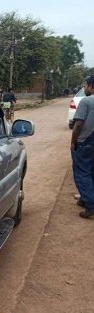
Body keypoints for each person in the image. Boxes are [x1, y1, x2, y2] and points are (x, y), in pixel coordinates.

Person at [71, 75, 94, 219]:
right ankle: (85, 198)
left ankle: (90, 204)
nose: (85, 88)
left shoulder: (87, 101)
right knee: (91, 171)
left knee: (82, 173)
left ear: (91, 85)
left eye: (86, 85)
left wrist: (73, 142)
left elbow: (78, 125)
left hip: (85, 141)